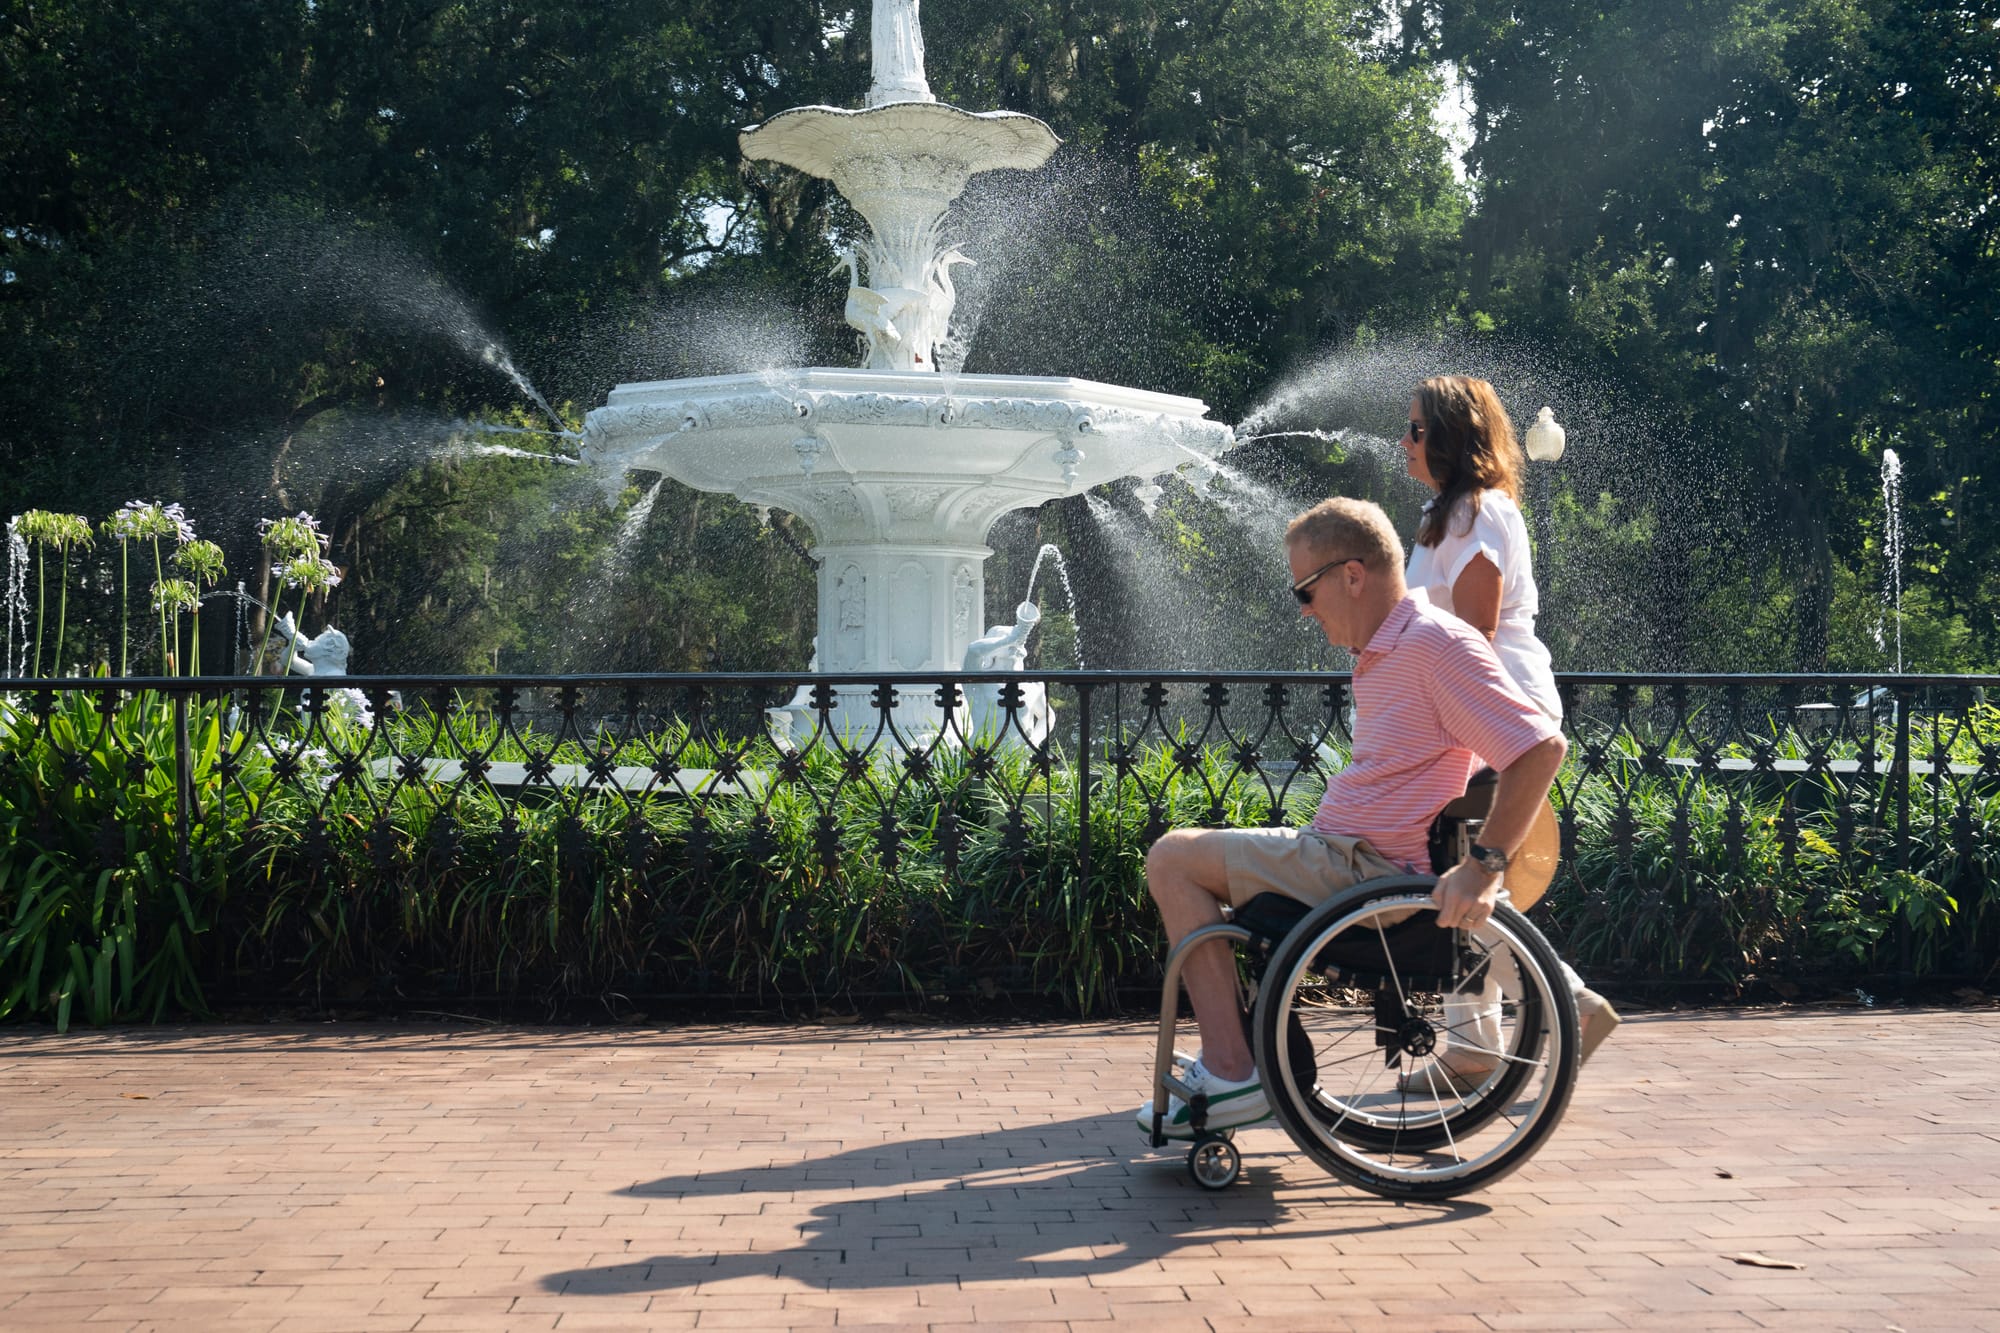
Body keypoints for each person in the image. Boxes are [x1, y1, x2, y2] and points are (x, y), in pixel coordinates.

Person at [1136, 496, 1568, 1137]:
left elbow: (1539, 749)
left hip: (1364, 871)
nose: (1304, 611)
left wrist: (1483, 868)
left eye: (1305, 592)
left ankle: (1233, 1070)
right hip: (1344, 857)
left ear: (1353, 575)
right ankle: (1239, 1060)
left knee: (1172, 859)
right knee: (1186, 866)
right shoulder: (1390, 651)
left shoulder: (1435, 645)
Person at [1395, 376, 1617, 1092]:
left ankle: (1555, 1010)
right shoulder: (1449, 513)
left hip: (1490, 712)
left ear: (1451, 436)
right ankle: (1484, 1042)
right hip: (1474, 710)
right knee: (1455, 871)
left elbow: (1476, 633)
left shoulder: (1476, 512)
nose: (1404, 441)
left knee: (1459, 870)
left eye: (1417, 429)